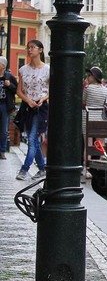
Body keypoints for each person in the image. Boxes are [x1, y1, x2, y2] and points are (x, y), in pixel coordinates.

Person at [15, 40, 50, 181]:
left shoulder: (47, 69)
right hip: (28, 107)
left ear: (40, 50)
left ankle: (24, 169)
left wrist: (42, 99)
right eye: (28, 48)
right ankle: (42, 168)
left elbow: (52, 90)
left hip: (41, 107)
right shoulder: (23, 70)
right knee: (33, 139)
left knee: (31, 139)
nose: (30, 50)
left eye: (33, 48)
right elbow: (19, 91)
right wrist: (28, 100)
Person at [82, 66, 107, 176]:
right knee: (100, 144)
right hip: (100, 118)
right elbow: (106, 103)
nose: (87, 77)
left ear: (94, 77)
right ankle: (99, 167)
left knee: (87, 144)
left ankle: (86, 168)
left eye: (89, 75)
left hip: (88, 117)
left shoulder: (87, 89)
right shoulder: (106, 90)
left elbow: (83, 102)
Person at [0, 56, 18, 159]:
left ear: (2, 65)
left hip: (4, 105)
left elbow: (17, 90)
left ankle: (2, 151)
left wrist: (9, 85)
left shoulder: (9, 76)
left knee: (3, 129)